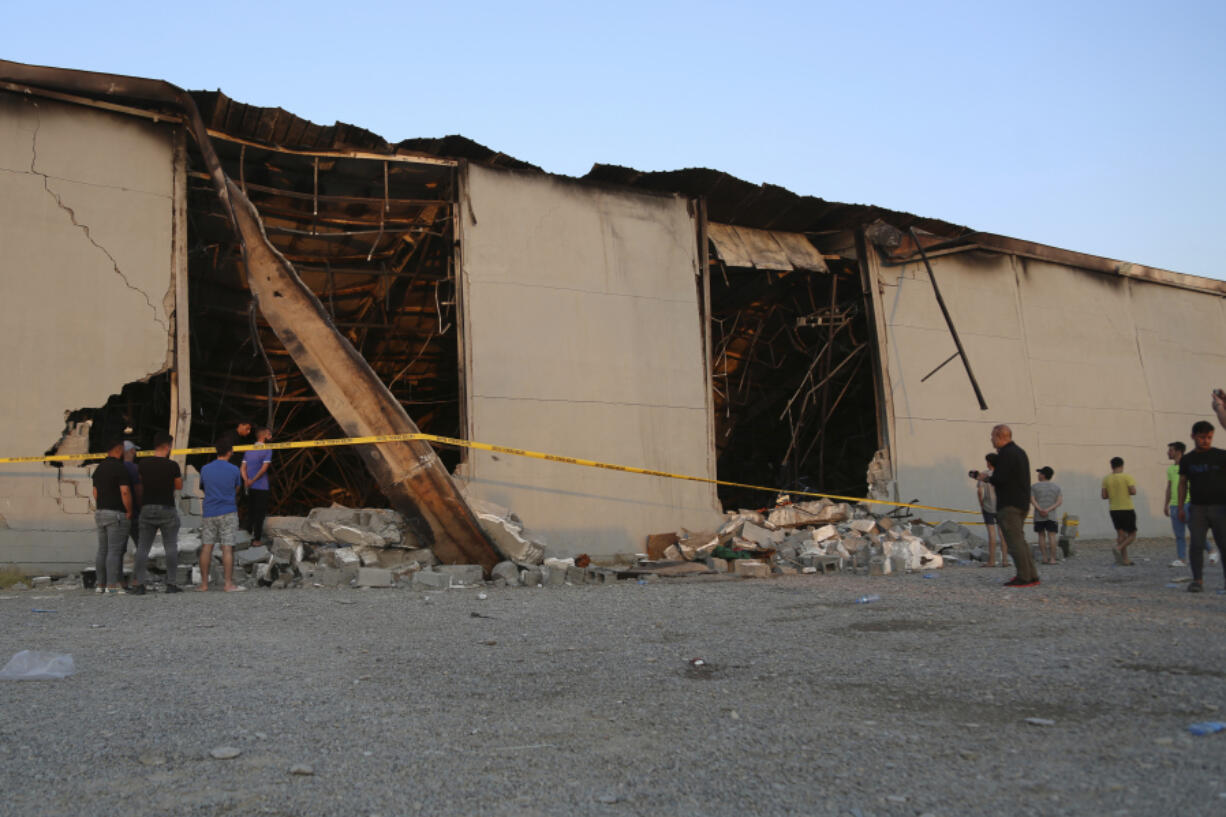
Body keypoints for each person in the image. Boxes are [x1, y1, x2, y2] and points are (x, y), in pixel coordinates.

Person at [982, 424, 1039, 587]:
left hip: (1009, 504)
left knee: (1014, 542)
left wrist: (985, 478)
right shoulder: (1019, 452)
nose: (991, 440)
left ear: (1000, 437)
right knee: (1020, 540)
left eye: (993, 437)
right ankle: (1032, 575)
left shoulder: (1006, 454)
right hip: (1021, 502)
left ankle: (1024, 577)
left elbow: (1000, 478)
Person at [129, 431, 183, 595]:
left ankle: (139, 585)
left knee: (143, 548)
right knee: (171, 547)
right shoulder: (172, 465)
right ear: (167, 446)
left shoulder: (143, 464)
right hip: (167, 507)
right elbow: (179, 486)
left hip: (147, 508)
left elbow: (139, 486)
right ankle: (171, 584)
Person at [1178, 420, 1226, 593]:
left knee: (1224, 544)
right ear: (1193, 436)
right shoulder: (1187, 460)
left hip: (1220, 508)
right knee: (1197, 544)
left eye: (1209, 437)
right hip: (1197, 508)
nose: (1206, 440)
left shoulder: (1221, 455)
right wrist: (1181, 507)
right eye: (1202, 437)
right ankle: (1197, 581)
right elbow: (1182, 483)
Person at [199, 437, 244, 592]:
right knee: (227, 548)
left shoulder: (205, 469)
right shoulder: (234, 470)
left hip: (209, 511)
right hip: (228, 511)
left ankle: (204, 584)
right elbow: (237, 488)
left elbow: (203, 487)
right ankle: (228, 584)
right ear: (230, 452)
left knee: (206, 547)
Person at [91, 438, 132, 595]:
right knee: (114, 551)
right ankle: (112, 586)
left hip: (100, 512)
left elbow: (95, 492)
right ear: (119, 449)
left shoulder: (99, 468)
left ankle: (100, 585)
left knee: (102, 550)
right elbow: (125, 491)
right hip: (116, 514)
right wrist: (128, 510)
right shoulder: (119, 468)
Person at [241, 426, 273, 549]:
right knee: (260, 514)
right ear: (264, 436)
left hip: (249, 486)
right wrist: (253, 480)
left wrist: (246, 480)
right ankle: (257, 539)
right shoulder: (267, 449)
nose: (271, 436)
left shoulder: (249, 449)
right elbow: (264, 469)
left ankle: (247, 536)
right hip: (261, 487)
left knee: (250, 511)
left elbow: (242, 468)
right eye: (269, 434)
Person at [1101, 457, 1138, 566]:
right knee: (1132, 534)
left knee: (1121, 535)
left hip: (1114, 509)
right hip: (1127, 508)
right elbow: (1133, 491)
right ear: (1122, 465)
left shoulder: (1106, 479)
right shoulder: (1127, 477)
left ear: (1111, 466)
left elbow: (1104, 495)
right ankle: (1118, 547)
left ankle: (1124, 560)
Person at [976, 453, 1009, 568]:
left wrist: (982, 505)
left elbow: (980, 492)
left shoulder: (983, 475)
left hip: (988, 507)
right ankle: (1005, 560)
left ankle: (992, 560)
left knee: (992, 534)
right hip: (1001, 507)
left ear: (988, 463)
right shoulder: (1003, 474)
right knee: (1003, 534)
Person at [1165, 442, 1192, 567]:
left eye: (1171, 450)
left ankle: (1211, 551)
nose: (1168, 453)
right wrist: (1166, 504)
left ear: (1178, 451)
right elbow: (1169, 487)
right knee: (1179, 534)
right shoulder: (1170, 469)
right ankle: (1182, 559)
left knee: (1195, 531)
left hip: (1187, 503)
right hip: (1174, 506)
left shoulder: (1188, 466)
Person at [1031, 466, 1063, 565]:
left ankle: (1044, 558)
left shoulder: (1034, 487)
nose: (1038, 475)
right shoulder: (1057, 487)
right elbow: (1059, 502)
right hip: (1051, 515)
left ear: (1043, 475)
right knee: (1052, 536)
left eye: (1040, 473)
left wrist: (1040, 509)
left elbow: (1032, 500)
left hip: (1038, 515)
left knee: (1041, 535)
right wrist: (1048, 509)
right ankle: (1053, 559)